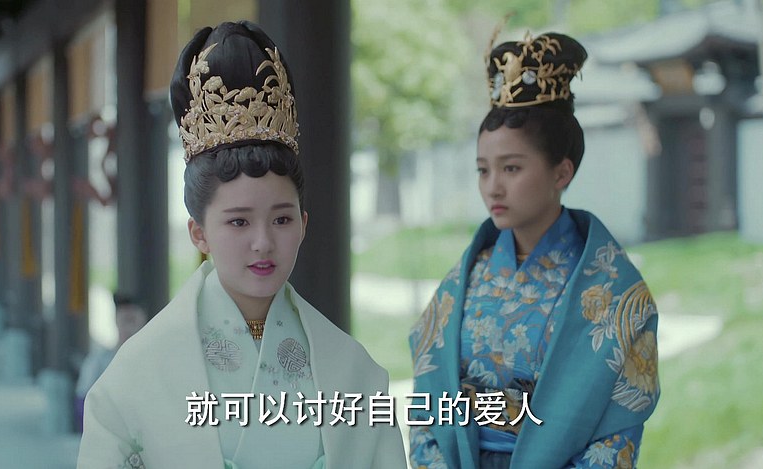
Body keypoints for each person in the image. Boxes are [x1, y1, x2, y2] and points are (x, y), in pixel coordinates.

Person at [78, 21, 406, 469]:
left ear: (304, 224)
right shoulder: (136, 377)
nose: (262, 242)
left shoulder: (354, 373)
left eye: (282, 219)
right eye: (238, 222)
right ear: (199, 233)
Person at [408, 31, 660, 468]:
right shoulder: (465, 280)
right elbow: (428, 403)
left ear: (562, 172)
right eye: (483, 170)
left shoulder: (614, 295)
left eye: (511, 168)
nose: (493, 187)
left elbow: (616, 433)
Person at [74, 293, 148, 432]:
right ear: (116, 320)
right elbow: (83, 404)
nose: (129, 327)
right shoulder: (98, 362)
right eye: (125, 319)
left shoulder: (153, 360)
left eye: (132, 320)